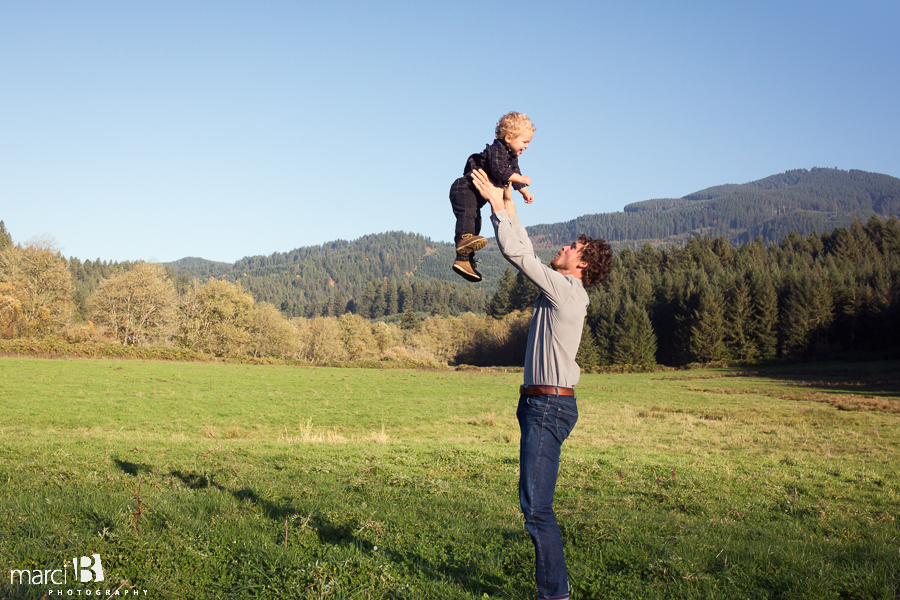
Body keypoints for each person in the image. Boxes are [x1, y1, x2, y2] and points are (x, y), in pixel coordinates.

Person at [471, 168, 612, 600]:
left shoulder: (566, 291)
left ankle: (554, 595)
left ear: (582, 264)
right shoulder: (565, 288)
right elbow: (528, 249)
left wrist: (497, 207)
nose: (565, 247)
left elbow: (521, 258)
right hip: (539, 403)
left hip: (547, 406)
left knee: (536, 509)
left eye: (573, 247)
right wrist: (509, 205)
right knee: (535, 505)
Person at [448, 112, 536, 283]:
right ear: (509, 137)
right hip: (464, 189)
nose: (526, 146)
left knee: (476, 222)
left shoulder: (511, 158)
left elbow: (513, 173)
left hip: (474, 196)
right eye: (525, 142)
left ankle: (464, 261)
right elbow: (499, 170)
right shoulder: (497, 150)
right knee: (468, 216)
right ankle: (464, 239)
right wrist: (519, 179)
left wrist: (523, 190)